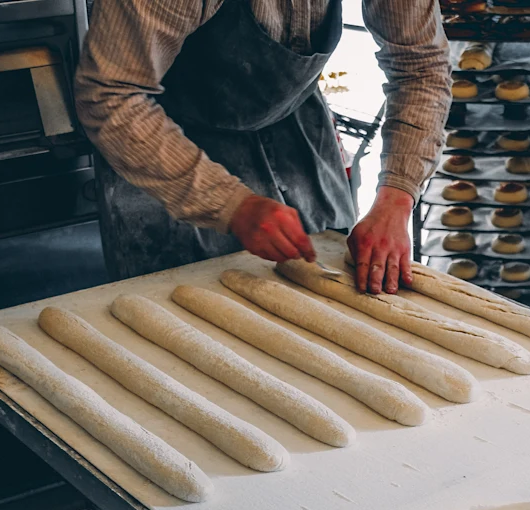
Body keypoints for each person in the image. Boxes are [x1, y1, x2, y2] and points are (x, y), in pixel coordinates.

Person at [75, 0, 451, 294]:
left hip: (296, 132)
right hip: (162, 143)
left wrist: (396, 198)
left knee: (336, 304)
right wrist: (229, 203)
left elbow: (420, 65)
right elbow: (110, 94)